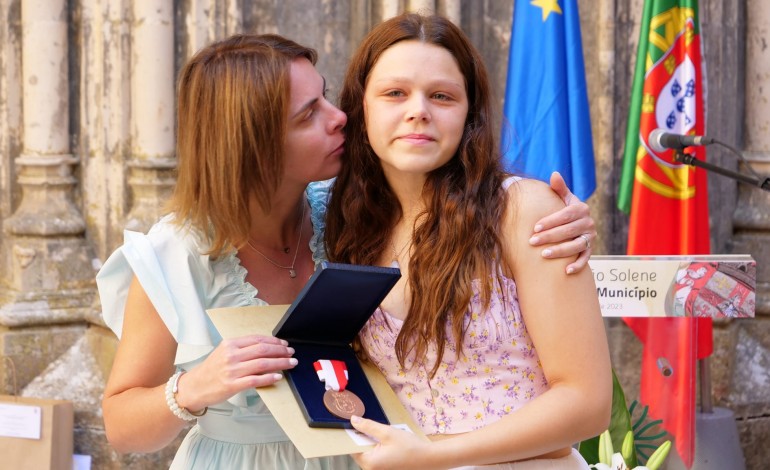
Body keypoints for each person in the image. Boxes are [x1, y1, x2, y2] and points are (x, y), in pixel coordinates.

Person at [96, 32, 597, 469]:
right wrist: (196, 387)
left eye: (329, 97)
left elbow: (464, 204)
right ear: (254, 144)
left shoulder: (349, 214)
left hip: (374, 457)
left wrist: (561, 217)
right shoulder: (177, 253)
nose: (340, 118)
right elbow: (121, 427)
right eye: (309, 113)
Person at [324, 13, 612, 470]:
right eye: (395, 93)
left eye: (442, 96)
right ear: (361, 108)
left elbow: (588, 401)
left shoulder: (522, 211)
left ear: (468, 113)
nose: (419, 109)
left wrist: (433, 455)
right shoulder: (345, 222)